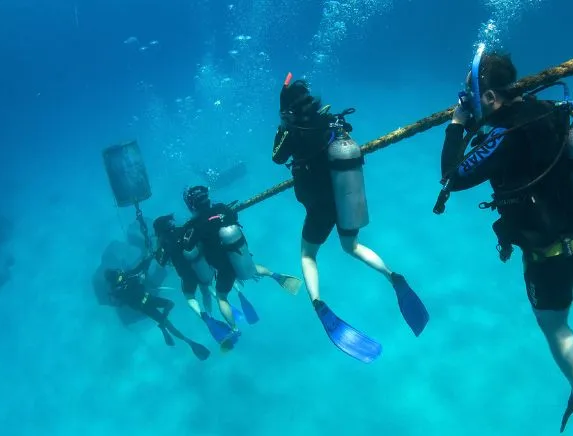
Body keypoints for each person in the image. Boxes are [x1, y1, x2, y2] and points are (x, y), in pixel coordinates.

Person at [435, 48, 573, 432]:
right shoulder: (545, 110)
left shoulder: (507, 135)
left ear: (490, 97)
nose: (468, 103)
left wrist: (457, 125)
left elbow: (452, 176)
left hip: (545, 254)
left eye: (472, 96)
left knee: (553, 325)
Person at [270, 72, 429, 364]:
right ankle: (394, 278)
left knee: (308, 256)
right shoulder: (331, 121)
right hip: (347, 198)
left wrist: (283, 126)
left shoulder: (292, 133)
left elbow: (277, 157)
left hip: (319, 207)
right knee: (352, 246)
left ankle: (318, 304)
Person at [180, 185, 302, 349]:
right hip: (239, 255)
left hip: (224, 267)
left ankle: (235, 328)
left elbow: (189, 248)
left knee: (221, 297)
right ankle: (276, 276)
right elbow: (232, 217)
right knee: (252, 268)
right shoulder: (222, 208)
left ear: (191, 205)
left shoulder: (193, 225)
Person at [153, 213, 242, 350]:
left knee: (190, 297)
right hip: (201, 267)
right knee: (206, 289)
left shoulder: (164, 242)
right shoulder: (183, 229)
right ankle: (215, 313)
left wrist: (156, 248)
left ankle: (206, 317)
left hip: (186, 274)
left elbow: (161, 262)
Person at [104, 254, 210, 361]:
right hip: (146, 302)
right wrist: (148, 260)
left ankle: (165, 327)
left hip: (145, 304)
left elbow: (137, 274)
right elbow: (139, 271)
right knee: (169, 310)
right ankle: (169, 329)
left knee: (168, 313)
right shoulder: (124, 281)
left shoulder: (119, 288)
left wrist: (146, 262)